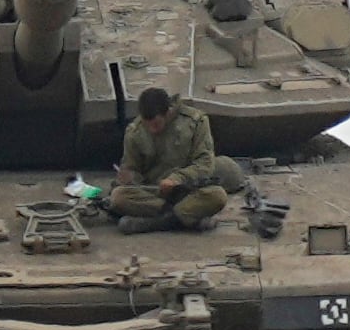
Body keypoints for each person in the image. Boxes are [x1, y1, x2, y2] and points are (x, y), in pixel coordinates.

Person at [102, 85, 248, 228]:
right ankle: (182, 217)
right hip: (154, 194)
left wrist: (177, 178)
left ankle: (154, 223)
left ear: (168, 113)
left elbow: (204, 163)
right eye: (148, 125)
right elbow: (132, 167)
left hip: (189, 190)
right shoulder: (135, 131)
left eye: (157, 124)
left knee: (217, 196)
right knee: (118, 197)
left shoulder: (195, 122)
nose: (152, 130)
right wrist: (128, 176)